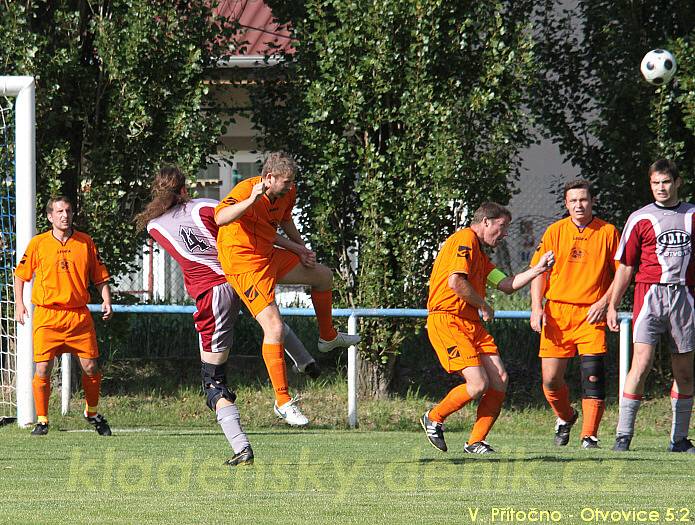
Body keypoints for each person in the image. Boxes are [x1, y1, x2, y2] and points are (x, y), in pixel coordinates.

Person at [135, 166, 322, 465]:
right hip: (241, 275)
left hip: (212, 294)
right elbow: (254, 231)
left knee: (213, 381)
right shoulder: (205, 206)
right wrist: (297, 248)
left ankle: (241, 447)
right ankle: (305, 360)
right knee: (269, 321)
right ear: (185, 190)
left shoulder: (153, 226)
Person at [215, 152, 360, 426]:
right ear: (268, 178)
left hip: (268, 255)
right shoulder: (246, 189)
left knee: (323, 276)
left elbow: (284, 222)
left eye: (292, 181)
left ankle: (327, 336)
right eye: (286, 181)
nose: (291, 186)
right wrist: (250, 201)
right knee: (275, 329)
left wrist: (301, 248)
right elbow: (221, 218)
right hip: (244, 265)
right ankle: (282, 401)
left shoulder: (286, 193)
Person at [421, 202, 555, 453]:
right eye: (502, 227)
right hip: (448, 319)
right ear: (486, 222)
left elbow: (505, 284)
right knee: (478, 384)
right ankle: (434, 417)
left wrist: (538, 269)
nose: (504, 234)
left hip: (470, 323)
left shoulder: (480, 256)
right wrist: (482, 304)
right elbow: (455, 282)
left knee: (499, 379)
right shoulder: (465, 239)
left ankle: (475, 441)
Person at [607, 159, 695, 453]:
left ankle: (679, 439)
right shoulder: (640, 218)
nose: (661, 188)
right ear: (650, 184)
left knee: (683, 371)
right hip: (649, 297)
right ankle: (623, 435)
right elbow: (626, 266)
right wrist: (612, 304)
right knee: (640, 364)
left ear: (678, 182)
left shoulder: (692, 215)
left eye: (666, 182)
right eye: (656, 183)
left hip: (685, 297)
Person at [530, 179, 620, 449]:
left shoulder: (608, 232)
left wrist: (605, 302)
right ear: (566, 204)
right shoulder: (555, 231)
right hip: (557, 313)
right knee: (550, 379)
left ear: (592, 201)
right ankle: (566, 417)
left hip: (591, 313)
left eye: (583, 200)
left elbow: (622, 273)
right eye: (573, 201)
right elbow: (539, 272)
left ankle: (589, 435)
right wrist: (536, 308)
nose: (579, 205)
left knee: (592, 374)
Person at [14, 196, 113, 436]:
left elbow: (99, 275)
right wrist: (19, 303)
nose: (64, 215)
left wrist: (106, 298)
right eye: (59, 211)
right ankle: (43, 420)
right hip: (48, 316)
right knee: (43, 368)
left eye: (68, 210)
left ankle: (91, 413)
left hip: (78, 316)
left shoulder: (85, 242)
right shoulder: (38, 244)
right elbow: (21, 275)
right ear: (50, 216)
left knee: (90, 367)